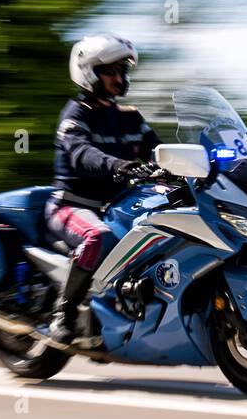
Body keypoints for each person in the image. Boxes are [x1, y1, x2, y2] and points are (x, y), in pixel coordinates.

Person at [41, 34, 163, 349]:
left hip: (117, 206)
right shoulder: (75, 115)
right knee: (97, 237)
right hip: (71, 207)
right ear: (90, 72)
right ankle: (63, 315)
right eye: (111, 70)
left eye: (123, 70)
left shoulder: (130, 117)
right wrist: (118, 165)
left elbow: (159, 151)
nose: (119, 78)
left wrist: (194, 165)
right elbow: (81, 153)